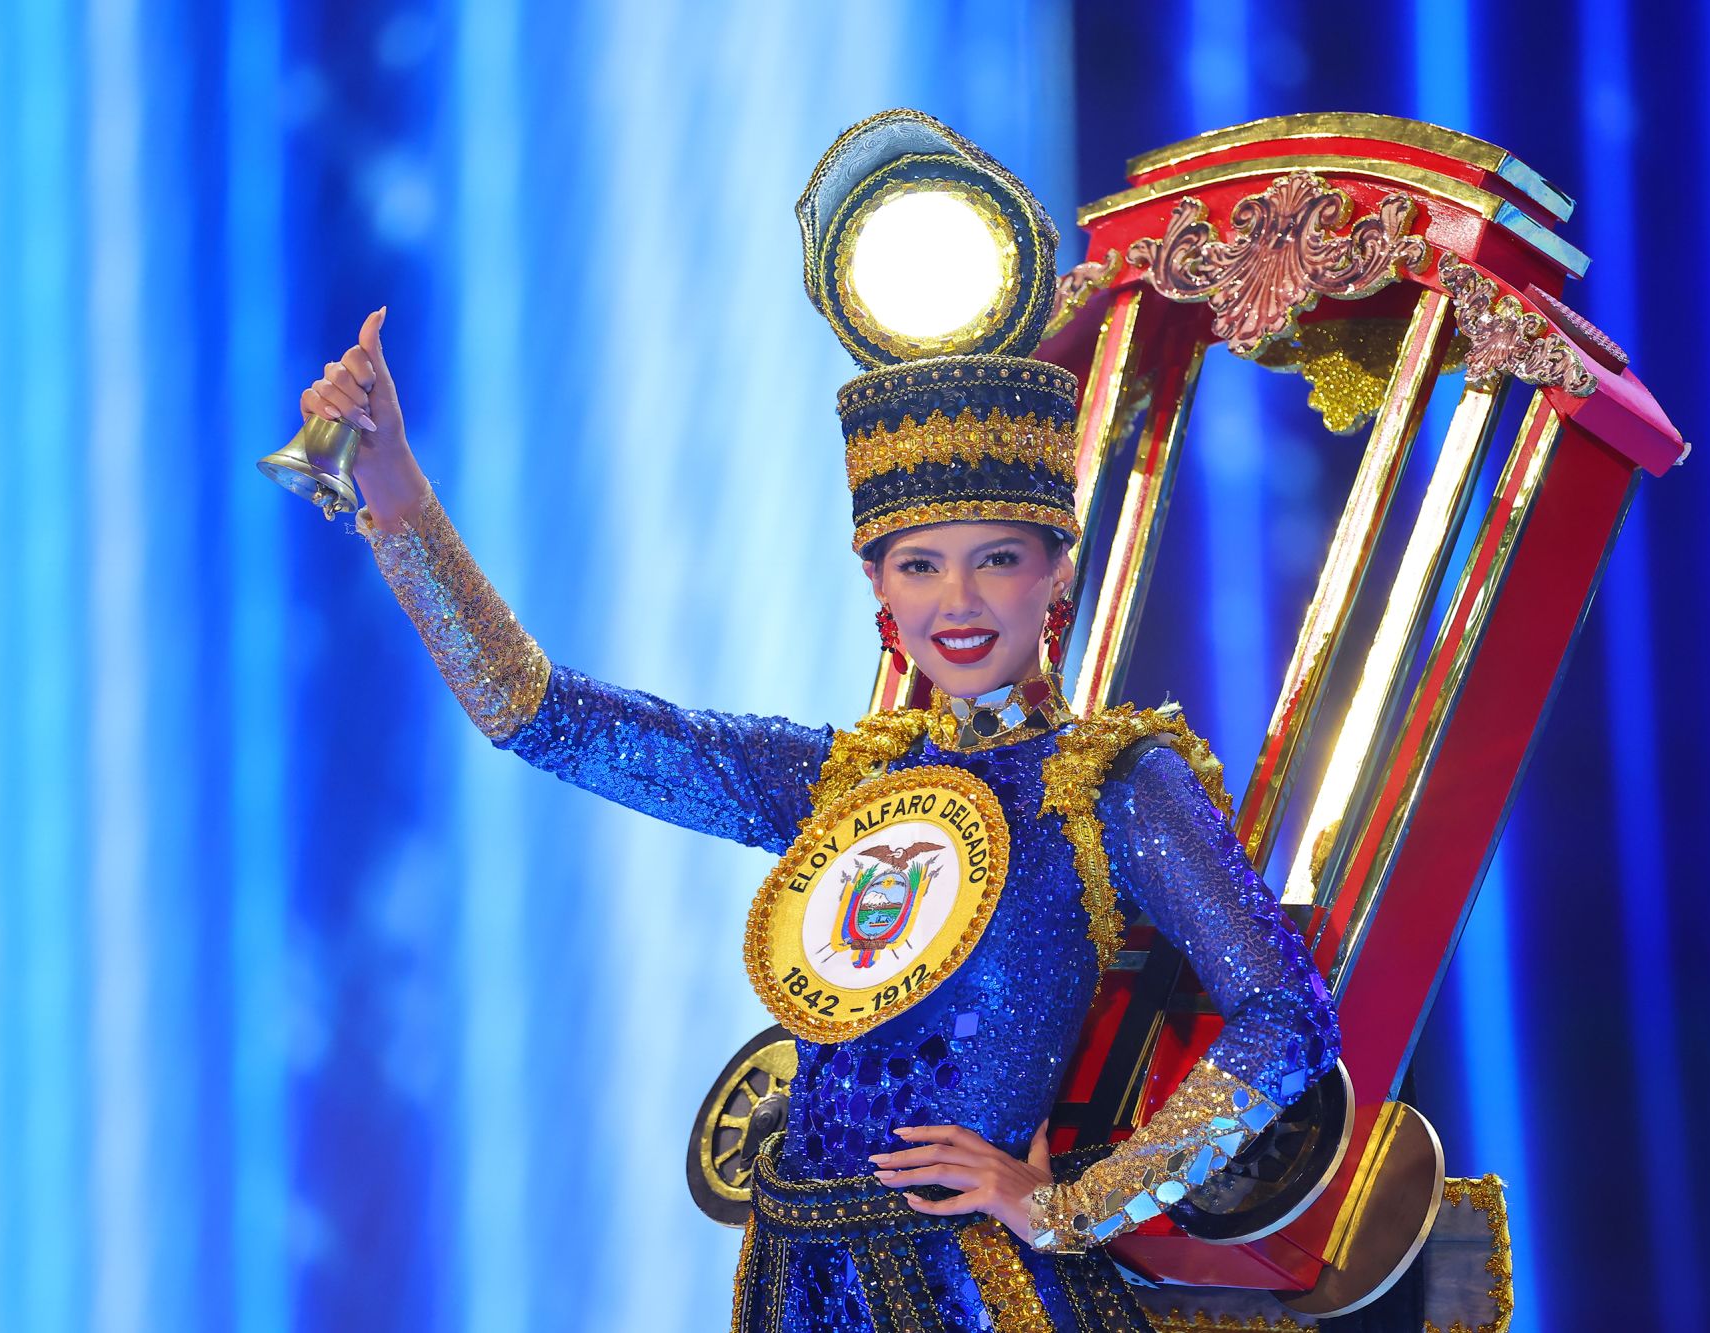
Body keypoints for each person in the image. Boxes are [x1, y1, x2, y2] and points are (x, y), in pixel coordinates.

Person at [295, 110, 1340, 1332]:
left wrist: (1075, 1203)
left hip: (970, 1291)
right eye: (919, 566)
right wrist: (395, 495)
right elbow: (544, 717)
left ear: (1056, 572)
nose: (958, 601)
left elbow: (1287, 1017)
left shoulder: (1111, 781)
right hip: (792, 1275)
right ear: (877, 586)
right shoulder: (847, 780)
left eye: (996, 559)